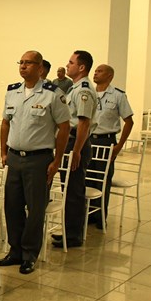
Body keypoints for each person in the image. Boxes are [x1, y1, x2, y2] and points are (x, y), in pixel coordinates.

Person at [0, 51, 70, 274]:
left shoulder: (53, 94)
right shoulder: (12, 92)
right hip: (14, 158)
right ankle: (15, 250)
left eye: (28, 63)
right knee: (12, 206)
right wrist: (3, 151)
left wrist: (57, 159)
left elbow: (64, 128)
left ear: (40, 68)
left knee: (36, 208)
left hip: (38, 160)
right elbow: (5, 123)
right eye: (21, 62)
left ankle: (30, 254)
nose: (23, 66)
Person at [52, 50, 98, 248]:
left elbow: (84, 123)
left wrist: (77, 150)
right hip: (71, 142)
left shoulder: (83, 90)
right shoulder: (74, 88)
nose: (67, 65)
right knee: (68, 188)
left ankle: (73, 235)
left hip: (76, 143)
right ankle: (68, 230)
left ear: (81, 67)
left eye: (71, 63)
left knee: (74, 190)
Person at [89, 63, 134, 229]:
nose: (96, 74)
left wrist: (119, 146)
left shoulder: (118, 95)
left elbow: (129, 121)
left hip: (106, 141)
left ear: (109, 76)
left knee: (102, 179)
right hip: (89, 140)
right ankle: (88, 215)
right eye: (95, 71)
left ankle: (101, 216)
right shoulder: (89, 93)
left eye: (100, 71)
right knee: (87, 179)